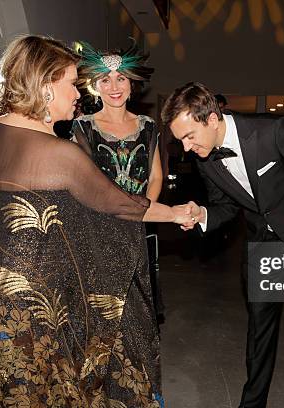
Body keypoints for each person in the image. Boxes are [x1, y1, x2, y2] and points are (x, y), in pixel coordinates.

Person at [0, 35, 192, 407]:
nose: (78, 94)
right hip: (34, 313)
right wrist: (178, 212)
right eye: (71, 83)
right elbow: (118, 204)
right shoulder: (58, 152)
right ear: (44, 85)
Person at [161, 82, 284, 408]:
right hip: (261, 250)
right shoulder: (205, 158)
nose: (186, 146)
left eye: (189, 135)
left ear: (211, 118)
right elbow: (224, 206)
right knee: (259, 336)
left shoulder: (276, 131)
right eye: (180, 139)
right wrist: (203, 213)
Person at [73, 41, 165, 323]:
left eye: (121, 78)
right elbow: (83, 184)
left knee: (139, 309)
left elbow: (155, 176)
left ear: (131, 83)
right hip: (97, 230)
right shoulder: (82, 127)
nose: (114, 86)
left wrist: (141, 215)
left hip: (138, 229)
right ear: (95, 86)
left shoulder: (147, 125)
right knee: (102, 311)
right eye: (105, 79)